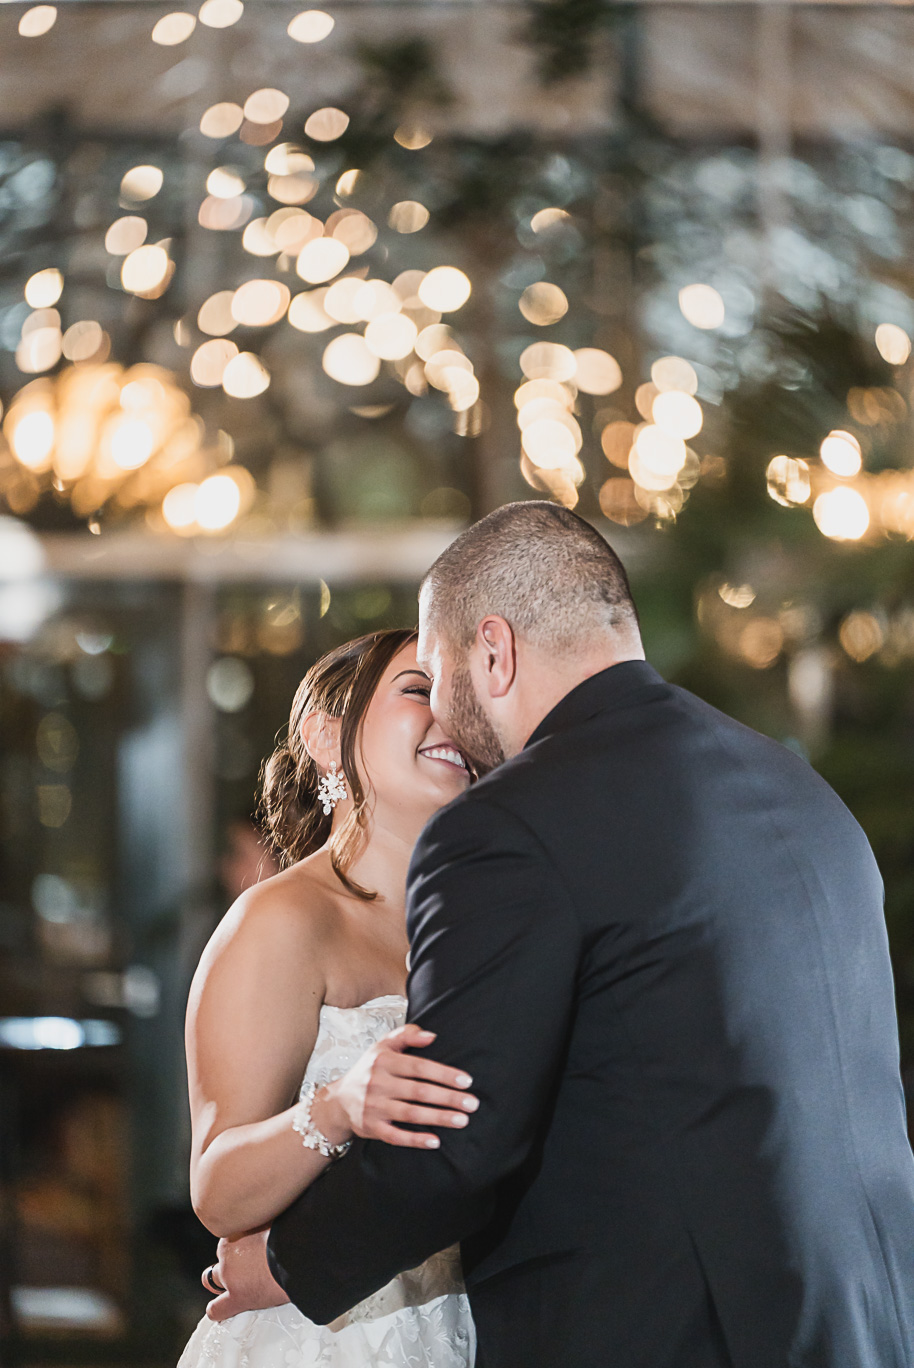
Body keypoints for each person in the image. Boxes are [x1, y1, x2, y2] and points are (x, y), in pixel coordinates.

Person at [210, 502, 914, 1368]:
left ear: (494, 652)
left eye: (441, 675)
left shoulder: (511, 823)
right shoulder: (799, 793)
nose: (447, 724)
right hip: (859, 1320)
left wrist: (289, 1263)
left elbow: (464, 1133)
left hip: (662, 1328)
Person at [179, 628, 479, 1368]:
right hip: (322, 1341)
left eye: (468, 703)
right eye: (420, 691)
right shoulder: (283, 920)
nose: (454, 719)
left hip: (465, 1327)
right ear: (326, 734)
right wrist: (338, 1107)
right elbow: (218, 1191)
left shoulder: (484, 927)